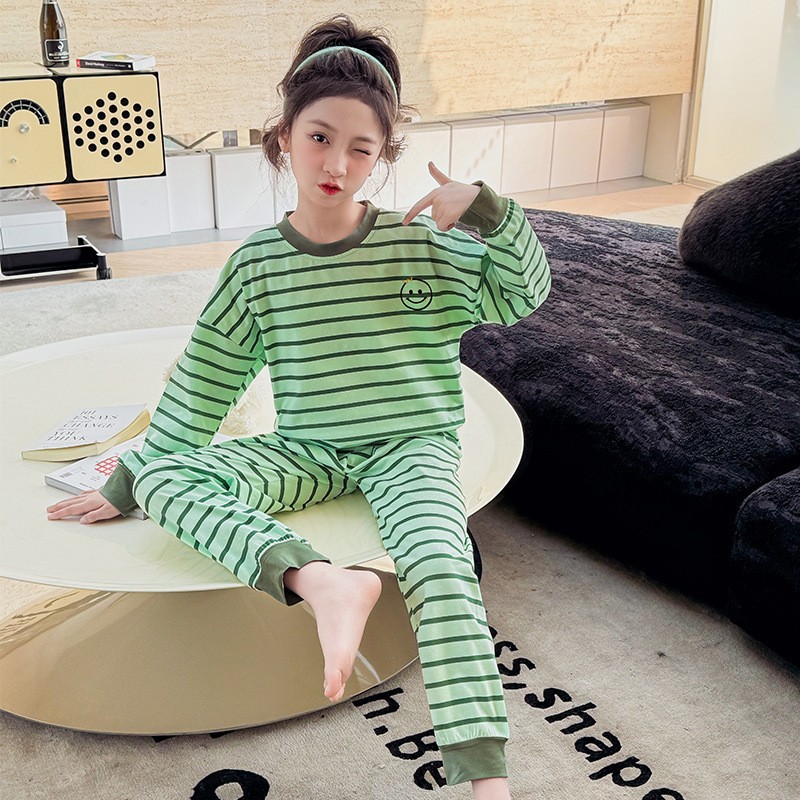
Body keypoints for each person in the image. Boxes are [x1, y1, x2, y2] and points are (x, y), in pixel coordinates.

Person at [45, 14, 551, 799]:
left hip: (411, 446)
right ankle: (324, 584)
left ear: (384, 156)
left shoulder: (422, 244)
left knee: (440, 563)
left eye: (362, 149)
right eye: (319, 138)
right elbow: (203, 385)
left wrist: (488, 211)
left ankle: (488, 784)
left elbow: (524, 295)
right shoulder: (258, 264)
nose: (338, 164)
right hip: (310, 449)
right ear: (283, 137)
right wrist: (128, 477)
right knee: (164, 479)